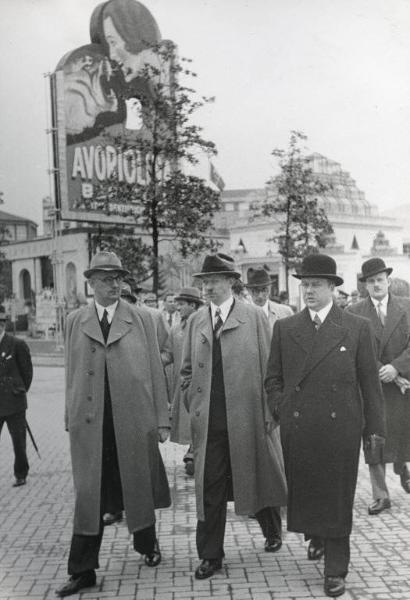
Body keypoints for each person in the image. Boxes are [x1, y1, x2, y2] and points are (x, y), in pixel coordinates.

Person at [265, 253, 385, 598]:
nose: (308, 291)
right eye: (304, 284)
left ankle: (335, 567)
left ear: (333, 288)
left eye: (316, 284)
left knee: (337, 497)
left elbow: (369, 386)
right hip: (299, 427)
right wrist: (281, 407)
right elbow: (273, 377)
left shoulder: (356, 328)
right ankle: (316, 535)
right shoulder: (286, 328)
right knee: (308, 491)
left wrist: (375, 431)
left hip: (341, 429)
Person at [56, 251, 171, 598]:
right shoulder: (76, 320)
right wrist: (68, 415)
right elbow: (71, 372)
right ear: (90, 283)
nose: (114, 285)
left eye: (118, 278)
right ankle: (82, 570)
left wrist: (162, 419)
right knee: (89, 495)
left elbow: (154, 368)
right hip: (91, 424)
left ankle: (147, 545)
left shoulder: (140, 319)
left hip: (132, 421)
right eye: (106, 279)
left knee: (136, 482)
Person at [181, 253, 287, 580]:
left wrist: (270, 413)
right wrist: (192, 399)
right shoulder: (196, 321)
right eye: (204, 282)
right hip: (209, 424)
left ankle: (272, 528)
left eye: (213, 281)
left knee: (254, 477)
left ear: (230, 282)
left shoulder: (254, 317)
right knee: (209, 487)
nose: (208, 287)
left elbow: (272, 370)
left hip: (248, 419)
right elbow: (185, 372)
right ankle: (210, 555)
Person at [347, 258, 410, 514]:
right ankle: (381, 495)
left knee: (402, 434)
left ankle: (402, 467)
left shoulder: (406, 308)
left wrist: (396, 368)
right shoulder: (354, 311)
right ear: (365, 285)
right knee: (374, 439)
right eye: (370, 281)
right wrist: (384, 372)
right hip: (371, 387)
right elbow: (352, 349)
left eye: (379, 280)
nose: (376, 285)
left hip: (402, 387)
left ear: (389, 281)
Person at [168, 287, 204, 476]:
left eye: (181, 304)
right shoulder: (176, 329)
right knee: (187, 420)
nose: (177, 307)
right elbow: (169, 353)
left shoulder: (203, 325)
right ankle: (192, 450)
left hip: (199, 384)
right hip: (182, 384)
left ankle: (195, 453)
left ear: (193, 305)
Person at [0, 306, 33, 487]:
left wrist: (19, 390)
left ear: (3, 324)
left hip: (14, 402)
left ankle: (21, 473)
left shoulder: (16, 344)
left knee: (18, 442)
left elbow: (27, 372)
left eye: (0, 322)